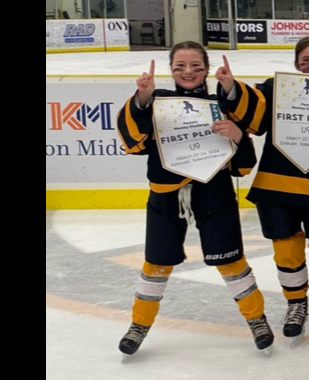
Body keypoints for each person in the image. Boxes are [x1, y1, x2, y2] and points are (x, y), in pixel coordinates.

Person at [115, 42, 273, 356]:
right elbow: (133, 144)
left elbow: (243, 164)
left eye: (197, 67)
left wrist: (237, 130)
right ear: (170, 69)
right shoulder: (157, 101)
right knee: (156, 263)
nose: (188, 72)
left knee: (231, 260)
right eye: (180, 66)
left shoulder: (222, 103)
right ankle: (139, 325)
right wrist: (143, 96)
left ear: (207, 68)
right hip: (165, 195)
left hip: (214, 192)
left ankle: (256, 319)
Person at [216, 36, 309, 344]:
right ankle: (296, 304)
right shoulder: (275, 90)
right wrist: (230, 87)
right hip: (274, 189)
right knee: (286, 251)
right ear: (296, 66)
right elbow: (252, 116)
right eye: (306, 60)